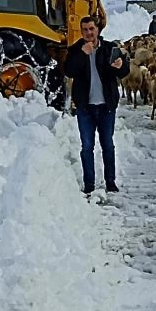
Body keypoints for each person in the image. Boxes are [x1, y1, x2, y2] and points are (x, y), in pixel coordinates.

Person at [64, 15, 130, 194]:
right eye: (85, 30)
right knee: (87, 146)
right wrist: (82, 54)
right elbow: (68, 70)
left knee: (107, 144)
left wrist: (120, 65)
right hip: (85, 107)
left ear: (98, 30)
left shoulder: (109, 48)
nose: (88, 33)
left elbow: (124, 71)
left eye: (91, 29)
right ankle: (89, 184)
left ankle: (110, 182)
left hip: (106, 106)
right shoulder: (76, 50)